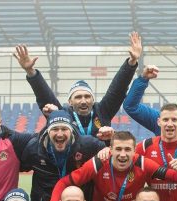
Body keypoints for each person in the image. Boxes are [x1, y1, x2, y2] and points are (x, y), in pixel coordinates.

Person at [45, 130, 177, 201]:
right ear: (110, 150)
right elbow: (64, 183)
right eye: (118, 149)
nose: (123, 155)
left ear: (134, 151)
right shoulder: (98, 163)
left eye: (127, 149)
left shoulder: (142, 163)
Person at [13, 32, 141, 137]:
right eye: (78, 97)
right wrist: (30, 71)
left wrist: (132, 62)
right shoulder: (63, 114)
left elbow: (118, 90)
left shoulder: (102, 111)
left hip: (100, 161)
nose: (83, 101)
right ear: (70, 102)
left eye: (87, 96)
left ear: (93, 100)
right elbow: (44, 96)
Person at [20, 110, 106, 201]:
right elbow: (19, 166)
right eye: (55, 129)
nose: (60, 134)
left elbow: (112, 151)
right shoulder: (34, 148)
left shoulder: (87, 145)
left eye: (64, 129)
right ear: (48, 131)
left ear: (71, 130)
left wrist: (107, 146)